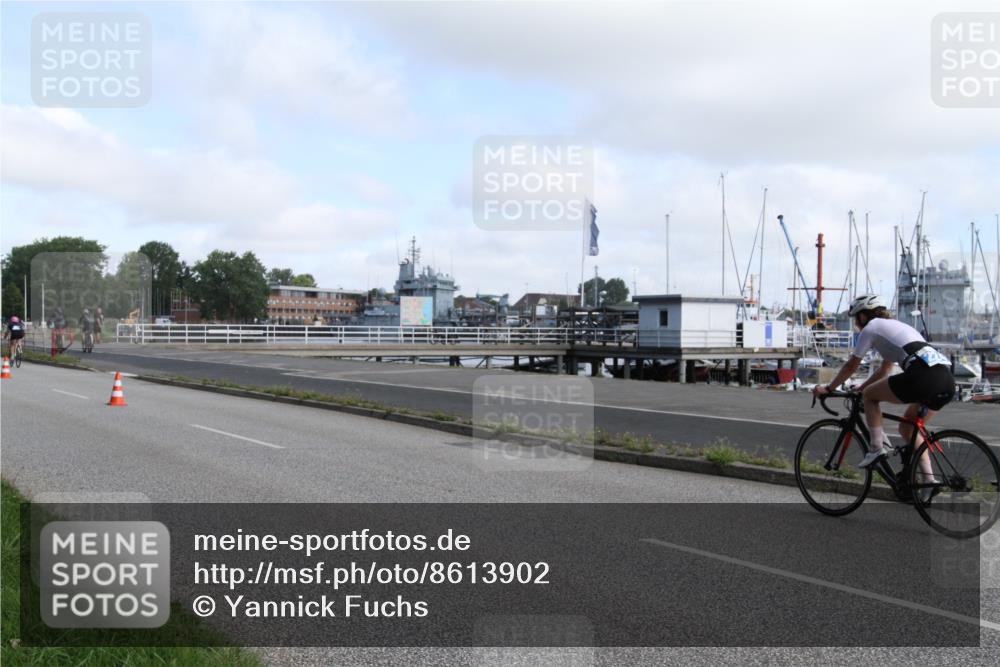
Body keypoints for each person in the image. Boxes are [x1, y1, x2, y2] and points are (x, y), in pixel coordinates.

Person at [813, 295, 955, 495]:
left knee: (871, 397)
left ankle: (876, 448)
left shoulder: (872, 328)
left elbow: (851, 365)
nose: (856, 324)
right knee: (907, 427)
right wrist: (861, 387)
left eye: (856, 319)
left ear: (863, 316)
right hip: (946, 380)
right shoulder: (897, 327)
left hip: (922, 377)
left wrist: (829, 388)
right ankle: (929, 481)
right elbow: (884, 371)